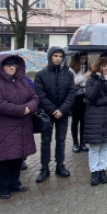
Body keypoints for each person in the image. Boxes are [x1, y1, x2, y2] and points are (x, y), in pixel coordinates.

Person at [0, 54, 39, 199]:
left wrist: (29, 107)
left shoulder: (21, 82)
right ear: (0, 68)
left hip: (21, 126)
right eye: (9, 66)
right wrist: (21, 110)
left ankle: (14, 182)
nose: (12, 68)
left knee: (17, 156)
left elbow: (34, 97)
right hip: (3, 127)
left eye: (14, 66)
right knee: (3, 158)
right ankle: (2, 188)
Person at [34, 47, 76, 183]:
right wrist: (53, 110)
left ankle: (60, 164)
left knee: (61, 140)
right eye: (55, 56)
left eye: (60, 56)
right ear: (50, 57)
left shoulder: (69, 74)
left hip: (63, 113)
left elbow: (71, 93)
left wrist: (62, 110)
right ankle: (44, 167)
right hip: (47, 113)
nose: (58, 58)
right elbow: (40, 95)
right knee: (45, 141)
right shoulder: (41, 74)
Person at [83, 56, 107, 186]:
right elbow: (90, 96)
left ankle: (102, 170)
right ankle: (94, 171)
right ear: (98, 66)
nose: (105, 68)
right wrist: (100, 81)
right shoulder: (91, 80)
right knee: (94, 147)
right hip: (94, 118)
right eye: (103, 66)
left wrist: (99, 102)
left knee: (105, 146)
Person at [68, 53, 91, 153]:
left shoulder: (88, 68)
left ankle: (83, 142)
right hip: (76, 97)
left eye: (85, 58)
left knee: (84, 121)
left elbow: (89, 82)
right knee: (75, 121)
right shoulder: (71, 69)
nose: (83, 60)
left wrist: (86, 78)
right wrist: (84, 76)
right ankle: (75, 143)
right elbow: (73, 82)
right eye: (81, 58)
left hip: (85, 96)